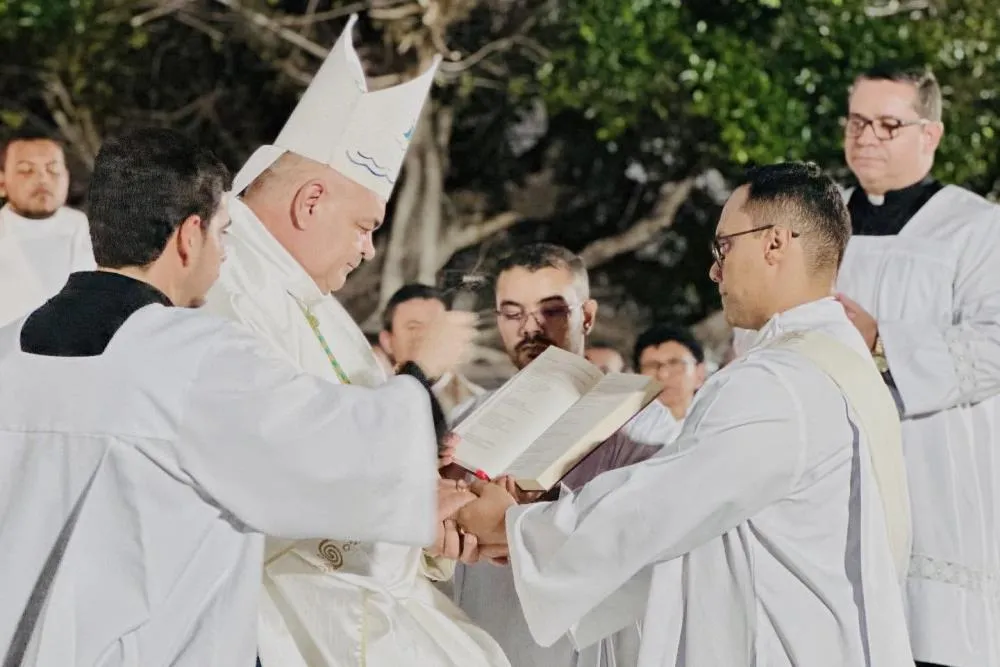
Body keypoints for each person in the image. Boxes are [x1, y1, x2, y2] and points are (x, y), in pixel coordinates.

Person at [0, 127, 460, 667]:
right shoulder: (194, 356)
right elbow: (339, 449)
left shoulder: (8, 346)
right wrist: (420, 373)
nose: (224, 256)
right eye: (223, 233)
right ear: (189, 236)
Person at [457, 162, 915, 667]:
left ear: (775, 243)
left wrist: (515, 529)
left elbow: (654, 508)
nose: (715, 270)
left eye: (724, 247)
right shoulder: (839, 362)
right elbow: (695, 528)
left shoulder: (778, 380)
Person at [204, 16, 508, 667]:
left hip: (356, 585)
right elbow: (267, 463)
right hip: (272, 605)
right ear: (311, 200)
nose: (369, 249)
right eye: (365, 225)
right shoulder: (223, 281)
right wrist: (416, 388)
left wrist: (427, 482)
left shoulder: (316, 304)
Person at [834, 64, 1000, 667]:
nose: (866, 137)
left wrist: (883, 341)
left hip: (932, 465)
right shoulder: (817, 223)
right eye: (857, 122)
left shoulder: (975, 227)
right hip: (831, 467)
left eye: (887, 124)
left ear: (930, 134)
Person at [450, 243, 673, 667]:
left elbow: (646, 529)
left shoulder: (640, 419)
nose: (530, 328)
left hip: (579, 642)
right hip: (481, 631)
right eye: (512, 313)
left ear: (586, 315)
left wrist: (542, 510)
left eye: (550, 311)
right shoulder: (467, 418)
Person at [0, 130, 93, 325]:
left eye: (53, 169)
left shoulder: (87, 229)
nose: (42, 179)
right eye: (26, 170)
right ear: (2, 183)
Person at [381, 283, 487, 415]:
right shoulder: (370, 394)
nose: (427, 337)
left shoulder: (477, 405)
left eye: (435, 328)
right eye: (413, 328)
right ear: (387, 342)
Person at [622, 324, 706, 446]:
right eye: (651, 366)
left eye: (674, 363)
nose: (663, 374)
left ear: (700, 373)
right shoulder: (623, 430)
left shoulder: (716, 425)